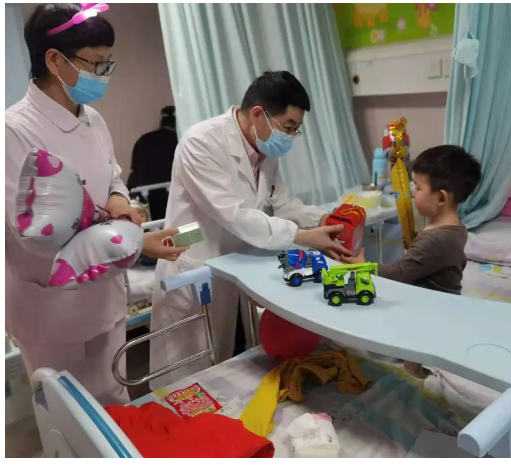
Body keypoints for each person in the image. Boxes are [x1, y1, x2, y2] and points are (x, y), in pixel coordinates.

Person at [5, 3, 187, 405]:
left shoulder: (93, 120)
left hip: (104, 297)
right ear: (55, 60)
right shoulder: (14, 131)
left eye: (108, 63)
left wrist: (119, 200)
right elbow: (36, 231)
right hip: (52, 307)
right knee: (67, 416)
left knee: (115, 402)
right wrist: (135, 242)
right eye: (97, 64)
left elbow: (113, 175)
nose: (104, 74)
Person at [150, 71, 351, 390]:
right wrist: (302, 236)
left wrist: (321, 218)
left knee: (221, 368)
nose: (290, 137)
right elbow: (235, 215)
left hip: (231, 264)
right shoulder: (201, 142)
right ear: (258, 114)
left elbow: (280, 202)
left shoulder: (264, 150)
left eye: (295, 130)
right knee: (182, 379)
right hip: (193, 263)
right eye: (288, 127)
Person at [342, 145, 482, 377]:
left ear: (441, 198)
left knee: (378, 325)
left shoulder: (435, 239)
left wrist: (362, 266)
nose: (412, 193)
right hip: (441, 301)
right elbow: (429, 259)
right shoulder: (453, 227)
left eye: (417, 187)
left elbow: (398, 273)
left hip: (430, 311)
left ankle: (415, 363)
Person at [127, 106, 178, 221]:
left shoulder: (144, 140)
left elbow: (134, 168)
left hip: (146, 197)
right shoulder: (177, 140)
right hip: (169, 195)